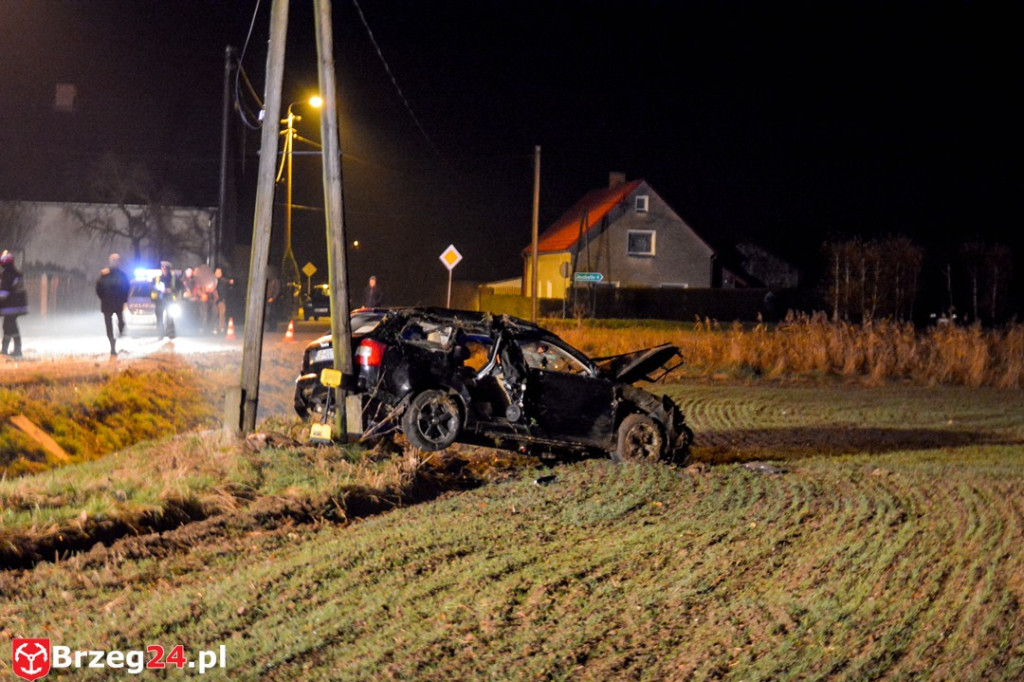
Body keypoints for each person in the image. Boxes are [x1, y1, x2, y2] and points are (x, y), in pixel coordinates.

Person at [95, 252, 131, 356]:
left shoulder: (122, 275)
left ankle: (120, 330)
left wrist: (124, 300)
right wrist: (103, 298)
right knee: (109, 326)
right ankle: (112, 346)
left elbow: (127, 288)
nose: (115, 263)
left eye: (117, 261)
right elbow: (98, 288)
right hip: (107, 303)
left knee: (121, 322)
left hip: (117, 303)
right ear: (110, 262)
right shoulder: (104, 274)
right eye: (113, 261)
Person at [0, 250, 28, 358]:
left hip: (11, 306)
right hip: (18, 305)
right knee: (8, 325)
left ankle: (16, 349)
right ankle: (6, 349)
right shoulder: (16, 273)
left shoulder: (7, 274)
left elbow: (4, 293)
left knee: (10, 325)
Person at [153, 260, 182, 339]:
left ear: (169, 269)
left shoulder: (173, 278)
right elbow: (153, 289)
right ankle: (160, 334)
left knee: (170, 317)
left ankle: (171, 333)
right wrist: (159, 290)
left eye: (166, 268)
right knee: (160, 318)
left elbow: (179, 287)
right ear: (161, 269)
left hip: (169, 300)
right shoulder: (157, 278)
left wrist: (171, 290)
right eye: (163, 268)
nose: (165, 270)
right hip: (160, 301)